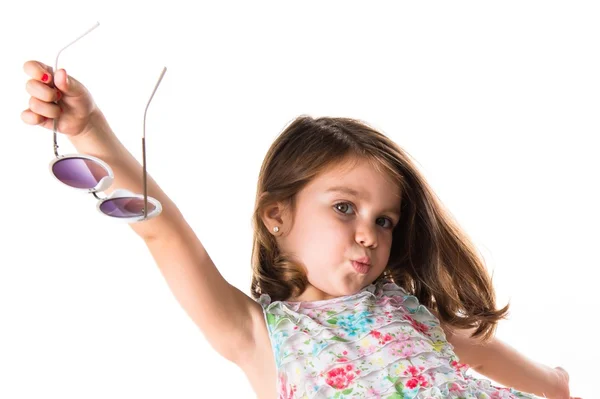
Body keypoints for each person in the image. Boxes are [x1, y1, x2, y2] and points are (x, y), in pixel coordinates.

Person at [21, 60, 580, 399]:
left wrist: (552, 384)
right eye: (344, 208)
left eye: (384, 220)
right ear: (277, 215)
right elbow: (163, 231)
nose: (369, 234)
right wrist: (89, 128)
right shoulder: (257, 334)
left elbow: (478, 352)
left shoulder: (403, 309)